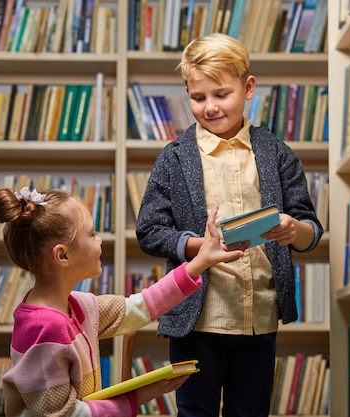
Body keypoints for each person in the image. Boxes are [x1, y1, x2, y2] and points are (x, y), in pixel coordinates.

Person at [135, 33, 324, 417]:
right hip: (197, 320)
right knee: (195, 412)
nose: (209, 107)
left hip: (259, 320)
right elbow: (149, 230)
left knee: (250, 411)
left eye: (221, 94)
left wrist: (294, 230)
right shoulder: (174, 158)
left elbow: (309, 227)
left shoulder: (277, 154)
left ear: (248, 87)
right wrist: (196, 247)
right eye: (198, 97)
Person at [0, 186, 244, 417]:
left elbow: (139, 307)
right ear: (62, 256)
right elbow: (61, 415)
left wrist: (200, 262)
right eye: (92, 233)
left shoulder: (77, 306)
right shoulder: (44, 329)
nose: (100, 240)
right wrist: (137, 398)